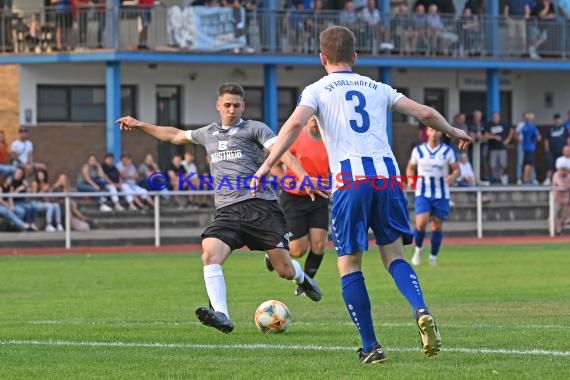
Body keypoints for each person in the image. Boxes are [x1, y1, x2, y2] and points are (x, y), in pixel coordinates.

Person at [251, 25, 471, 363]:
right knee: (394, 256)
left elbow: (294, 125)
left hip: (351, 183)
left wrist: (267, 166)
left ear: (322, 57)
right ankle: (421, 308)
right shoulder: (377, 87)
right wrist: (454, 131)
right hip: (388, 179)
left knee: (350, 264)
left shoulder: (317, 89)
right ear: (355, 57)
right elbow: (425, 114)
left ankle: (371, 346)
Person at [117, 83, 325, 334]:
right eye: (227, 105)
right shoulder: (208, 133)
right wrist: (140, 125)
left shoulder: (255, 128)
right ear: (218, 106)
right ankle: (222, 315)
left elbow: (283, 153)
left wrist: (302, 177)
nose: (231, 109)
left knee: (284, 269)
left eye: (237, 105)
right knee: (210, 254)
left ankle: (302, 279)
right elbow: (174, 135)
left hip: (262, 208)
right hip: (227, 211)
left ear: (243, 107)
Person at [267, 116, 331, 296]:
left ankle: (306, 285)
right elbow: (274, 166)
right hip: (294, 198)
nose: (314, 120)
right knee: (297, 250)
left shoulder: (331, 139)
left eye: (318, 116)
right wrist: (288, 182)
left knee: (319, 244)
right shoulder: (294, 137)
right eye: (311, 116)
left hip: (319, 196)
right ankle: (271, 252)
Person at [406, 128, 460, 267]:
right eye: (432, 130)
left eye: (437, 131)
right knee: (421, 222)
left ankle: (433, 256)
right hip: (423, 192)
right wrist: (411, 179)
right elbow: (410, 167)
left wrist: (453, 176)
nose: (435, 133)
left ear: (441, 133)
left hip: (441, 193)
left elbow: (456, 169)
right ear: (427, 132)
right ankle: (418, 249)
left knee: (437, 225)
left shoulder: (447, 151)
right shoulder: (419, 151)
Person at [484, 112, 515, 185]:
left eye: (496, 117)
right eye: (494, 117)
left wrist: (508, 140)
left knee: (503, 164)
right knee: (492, 164)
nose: (495, 118)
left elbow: (512, 130)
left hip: (502, 147)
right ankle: (495, 178)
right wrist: (494, 137)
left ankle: (499, 177)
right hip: (493, 148)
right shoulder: (489, 125)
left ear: (499, 117)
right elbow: (486, 135)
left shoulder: (503, 124)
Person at [552, 149, 570, 236]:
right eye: (562, 169)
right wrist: (566, 186)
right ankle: (554, 231)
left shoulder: (568, 176)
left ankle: (559, 230)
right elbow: (561, 185)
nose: (563, 171)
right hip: (557, 199)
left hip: (565, 199)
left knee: (562, 216)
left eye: (565, 169)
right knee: (554, 215)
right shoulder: (556, 175)